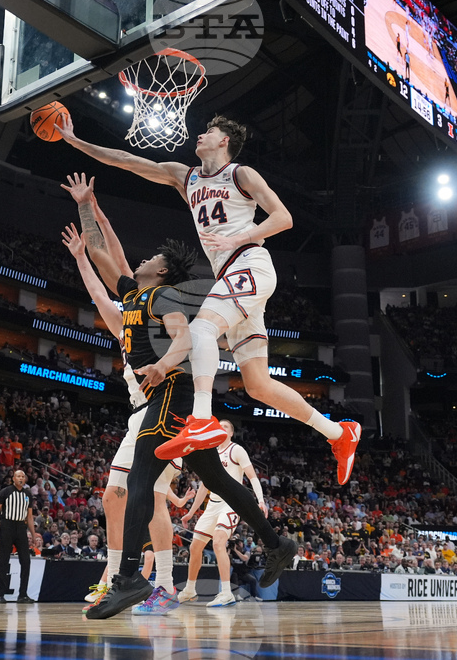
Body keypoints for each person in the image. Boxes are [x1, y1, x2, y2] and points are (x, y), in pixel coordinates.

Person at [56, 115, 360, 486]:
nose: (200, 134)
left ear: (224, 142)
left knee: (202, 327)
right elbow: (126, 160)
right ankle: (339, 434)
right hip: (232, 276)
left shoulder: (241, 174)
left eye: (209, 131)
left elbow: (284, 218)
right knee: (258, 385)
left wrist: (240, 237)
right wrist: (75, 141)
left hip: (249, 263)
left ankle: (200, 419)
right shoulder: (186, 177)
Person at [60, 180, 296, 620]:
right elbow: (99, 249)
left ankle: (129, 578)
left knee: (139, 482)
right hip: (170, 395)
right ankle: (277, 543)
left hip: (172, 393)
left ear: (164, 271)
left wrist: (162, 366)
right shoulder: (134, 293)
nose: (142, 259)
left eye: (151, 259)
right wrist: (87, 205)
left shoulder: (164, 296)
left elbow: (185, 338)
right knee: (218, 479)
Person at [61, 204, 191, 613]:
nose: (138, 263)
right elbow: (103, 288)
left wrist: (98, 216)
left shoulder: (150, 312)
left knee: (130, 495)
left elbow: (115, 266)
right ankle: (137, 581)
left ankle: (142, 580)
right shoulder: (126, 323)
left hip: (163, 406)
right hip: (150, 412)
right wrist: (85, 249)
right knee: (129, 497)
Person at [179, 419, 267, 607]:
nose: (221, 428)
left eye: (225, 426)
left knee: (219, 542)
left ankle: (226, 593)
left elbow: (252, 476)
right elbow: (204, 487)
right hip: (212, 505)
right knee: (195, 547)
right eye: (219, 426)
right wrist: (190, 513)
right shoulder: (210, 453)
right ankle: (190, 589)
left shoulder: (236, 450)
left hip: (231, 503)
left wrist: (260, 500)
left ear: (231, 433)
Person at [0, 469, 36, 604]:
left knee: (26, 561)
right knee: (3, 560)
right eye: (18, 476)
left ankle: (22, 594)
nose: (21, 478)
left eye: (23, 476)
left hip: (21, 527)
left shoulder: (28, 494)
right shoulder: (5, 492)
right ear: (13, 479)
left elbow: (30, 516)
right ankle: (0, 594)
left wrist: (33, 535)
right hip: (7, 526)